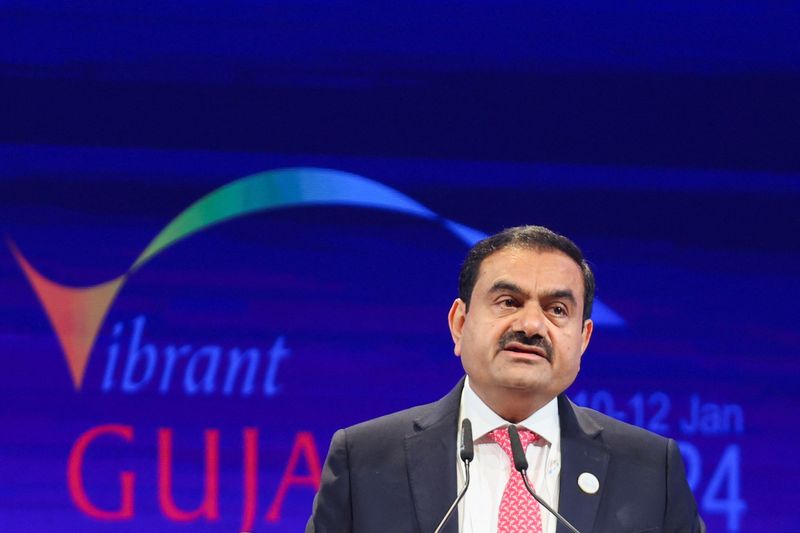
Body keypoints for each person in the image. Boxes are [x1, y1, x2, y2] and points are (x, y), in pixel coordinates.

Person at [307, 225, 703, 533]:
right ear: (460, 324)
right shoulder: (366, 459)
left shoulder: (650, 468)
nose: (531, 325)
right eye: (509, 302)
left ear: (583, 340)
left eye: (558, 309)